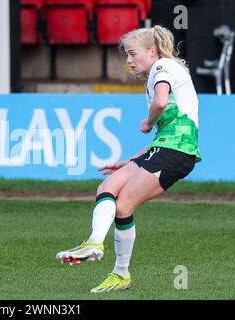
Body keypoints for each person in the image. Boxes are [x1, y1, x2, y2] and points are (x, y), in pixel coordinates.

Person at [56, 25, 201, 293]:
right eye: (127, 55)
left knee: (123, 206)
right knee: (107, 187)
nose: (128, 61)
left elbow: (160, 104)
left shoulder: (161, 68)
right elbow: (166, 131)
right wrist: (133, 159)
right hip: (166, 148)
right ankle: (95, 245)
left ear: (152, 52)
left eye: (133, 54)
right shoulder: (161, 71)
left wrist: (147, 122)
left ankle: (117, 270)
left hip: (176, 152)